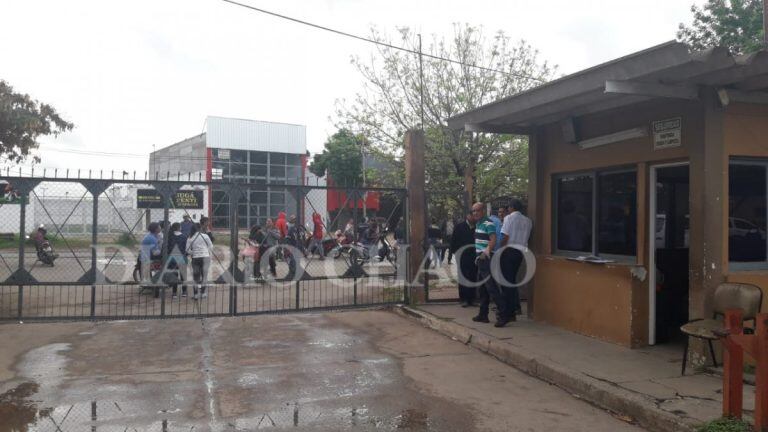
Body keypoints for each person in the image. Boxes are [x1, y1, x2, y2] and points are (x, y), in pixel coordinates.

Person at [471, 202, 511, 327]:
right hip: (480, 259)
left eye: (477, 210)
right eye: (473, 211)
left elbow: (494, 240)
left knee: (491, 287)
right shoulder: (478, 223)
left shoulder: (488, 223)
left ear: (483, 211)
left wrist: (485, 252)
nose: (475, 213)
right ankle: (483, 315)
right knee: (482, 288)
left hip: (486, 258)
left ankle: (504, 315)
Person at [500, 200, 533, 320]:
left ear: (512, 207)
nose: (507, 209)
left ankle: (508, 311)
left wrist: (500, 248)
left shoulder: (509, 218)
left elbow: (505, 236)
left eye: (508, 207)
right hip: (520, 253)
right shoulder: (528, 221)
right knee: (512, 280)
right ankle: (515, 307)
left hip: (508, 251)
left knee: (507, 282)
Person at [450, 211, 477, 307]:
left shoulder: (477, 227)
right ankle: (464, 299)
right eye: (472, 215)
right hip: (462, 256)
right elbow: (453, 241)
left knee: (473, 276)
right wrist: (455, 253)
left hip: (474, 256)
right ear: (468, 216)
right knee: (463, 276)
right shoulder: (459, 227)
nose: (474, 217)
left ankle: (472, 299)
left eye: (475, 216)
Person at [186, 223, 213, 300]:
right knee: (204, 275)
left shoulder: (190, 238)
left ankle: (195, 295)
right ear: (200, 228)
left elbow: (187, 250)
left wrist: (194, 252)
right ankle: (203, 293)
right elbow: (211, 246)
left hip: (196, 258)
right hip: (205, 257)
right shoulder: (205, 236)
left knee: (196, 277)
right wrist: (206, 252)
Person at [166, 222, 188, 299]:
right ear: (179, 228)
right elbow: (186, 249)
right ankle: (184, 292)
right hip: (182, 257)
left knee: (174, 275)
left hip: (172, 258)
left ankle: (174, 293)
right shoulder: (184, 237)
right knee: (183, 275)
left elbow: (167, 248)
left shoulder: (169, 236)